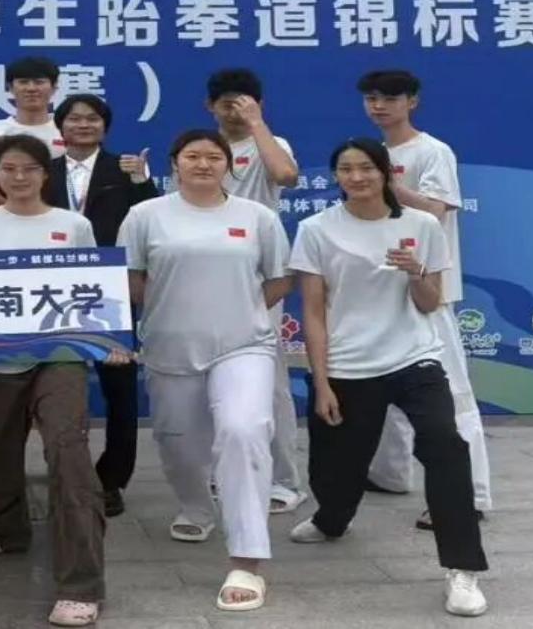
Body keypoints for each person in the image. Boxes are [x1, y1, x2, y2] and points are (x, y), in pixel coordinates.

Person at [286, 138, 490, 618]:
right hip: (348, 365)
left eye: (366, 168)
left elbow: (429, 301)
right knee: (335, 471)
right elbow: (313, 312)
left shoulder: (421, 225)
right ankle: (332, 518)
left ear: (385, 173)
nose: (357, 177)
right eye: (346, 169)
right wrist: (321, 382)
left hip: (415, 358)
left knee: (445, 445)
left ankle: (463, 569)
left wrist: (416, 272)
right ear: (336, 177)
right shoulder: (316, 229)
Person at [0, 134, 112, 628]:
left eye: (30, 169)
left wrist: (108, 338)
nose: (19, 177)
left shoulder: (73, 225)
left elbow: (94, 290)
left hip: (60, 355)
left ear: (45, 174)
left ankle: (81, 583)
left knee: (68, 449)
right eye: (9, 169)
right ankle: (4, 525)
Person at [120, 130, 292, 612]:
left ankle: (247, 559)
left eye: (214, 157)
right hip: (170, 346)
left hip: (244, 345)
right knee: (178, 441)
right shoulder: (145, 216)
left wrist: (241, 311)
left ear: (228, 165)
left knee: (243, 430)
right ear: (174, 163)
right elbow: (131, 279)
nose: (202, 164)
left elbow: (280, 279)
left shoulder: (257, 217)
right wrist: (171, 308)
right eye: (192, 156)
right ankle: (196, 506)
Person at [357, 69, 494, 528]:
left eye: (390, 98)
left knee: (450, 396)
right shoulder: (372, 153)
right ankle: (390, 473)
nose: (379, 106)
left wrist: (385, 183)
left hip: (428, 293)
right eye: (372, 98)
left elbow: (436, 210)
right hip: (381, 293)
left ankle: (470, 495)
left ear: (412, 101)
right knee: (383, 389)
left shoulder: (432, 151)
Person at [42, 94, 159, 518]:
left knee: (119, 389)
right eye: (74, 119)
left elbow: (151, 218)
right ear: (60, 126)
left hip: (111, 292)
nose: (83, 125)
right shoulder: (41, 171)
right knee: (50, 387)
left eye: (92, 119)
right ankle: (62, 473)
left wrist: (142, 180)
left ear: (105, 127)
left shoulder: (125, 169)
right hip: (50, 293)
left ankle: (112, 479)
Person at [200, 69, 306, 515]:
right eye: (225, 102)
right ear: (210, 107)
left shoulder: (271, 143)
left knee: (269, 377)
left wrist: (257, 124)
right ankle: (223, 471)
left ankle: (284, 479)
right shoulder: (202, 151)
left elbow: (287, 175)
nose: (234, 110)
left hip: (260, 274)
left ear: (259, 104)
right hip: (206, 272)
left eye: (243, 101)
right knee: (212, 376)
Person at [0, 56, 66, 158]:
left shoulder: (67, 130)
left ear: (54, 87)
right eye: (23, 82)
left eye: (39, 82)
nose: (31, 88)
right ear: (10, 87)